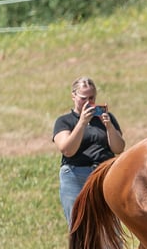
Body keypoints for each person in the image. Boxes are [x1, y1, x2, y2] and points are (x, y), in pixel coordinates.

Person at [52, 76, 125, 227]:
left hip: (104, 174)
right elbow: (67, 150)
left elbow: (119, 148)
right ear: (73, 96)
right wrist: (82, 122)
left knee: (110, 225)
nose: (88, 103)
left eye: (92, 98)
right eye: (83, 98)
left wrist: (109, 127)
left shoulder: (106, 118)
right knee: (79, 226)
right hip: (76, 175)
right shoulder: (64, 121)